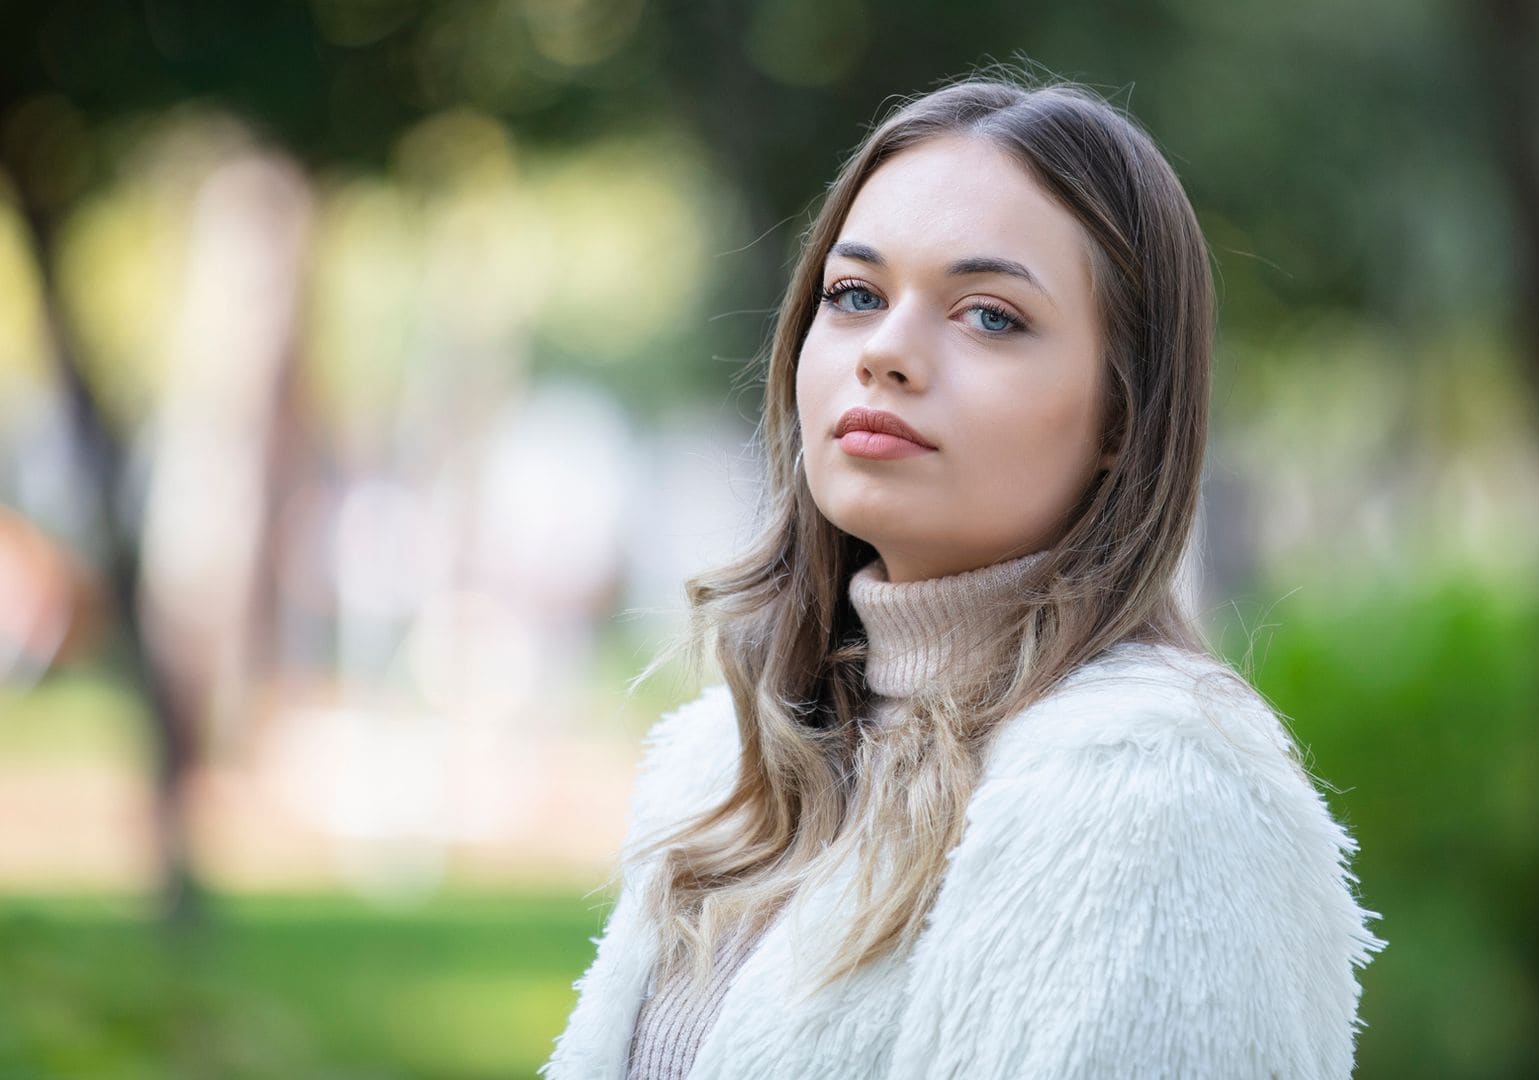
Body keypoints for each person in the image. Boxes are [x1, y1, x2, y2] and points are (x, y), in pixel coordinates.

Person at [542, 69, 1387, 1080]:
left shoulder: (1149, 790)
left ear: (1125, 414)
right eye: (854, 295)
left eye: (989, 315)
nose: (887, 353)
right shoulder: (732, 769)